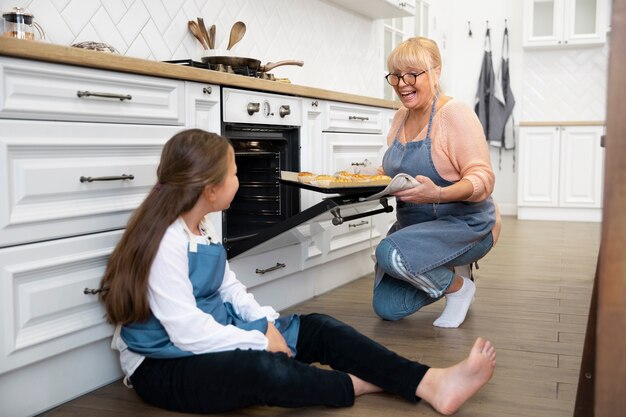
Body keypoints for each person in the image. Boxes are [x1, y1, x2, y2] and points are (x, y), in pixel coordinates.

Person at [98, 129, 497, 415]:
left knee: (320, 327)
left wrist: (267, 325)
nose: (240, 179)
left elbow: (230, 288)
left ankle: (430, 382)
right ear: (209, 189)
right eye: (235, 172)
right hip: (166, 366)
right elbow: (186, 332)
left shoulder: (201, 224)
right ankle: (366, 382)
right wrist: (259, 342)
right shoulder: (166, 242)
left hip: (212, 335)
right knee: (264, 369)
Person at [374, 37, 501, 328]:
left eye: (412, 74)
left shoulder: (454, 113)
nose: (401, 83)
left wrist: (438, 194)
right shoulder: (399, 118)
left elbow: (483, 180)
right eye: (395, 75)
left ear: (436, 71)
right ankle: (448, 271)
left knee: (388, 252)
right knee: (387, 307)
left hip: (466, 226)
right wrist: (363, 180)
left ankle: (459, 289)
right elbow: (390, 167)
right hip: (416, 229)